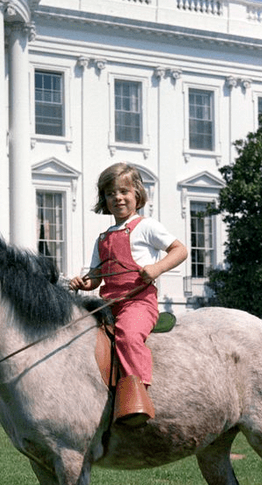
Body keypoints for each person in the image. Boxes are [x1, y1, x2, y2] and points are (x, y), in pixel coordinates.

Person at [70, 162, 188, 426]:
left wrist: (156, 268)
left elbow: (180, 250)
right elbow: (96, 278)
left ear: (137, 194)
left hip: (138, 301)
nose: (118, 198)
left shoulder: (146, 226)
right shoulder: (102, 238)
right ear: (104, 199)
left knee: (127, 335)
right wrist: (83, 283)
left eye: (124, 191)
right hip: (107, 303)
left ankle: (138, 397)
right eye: (111, 193)